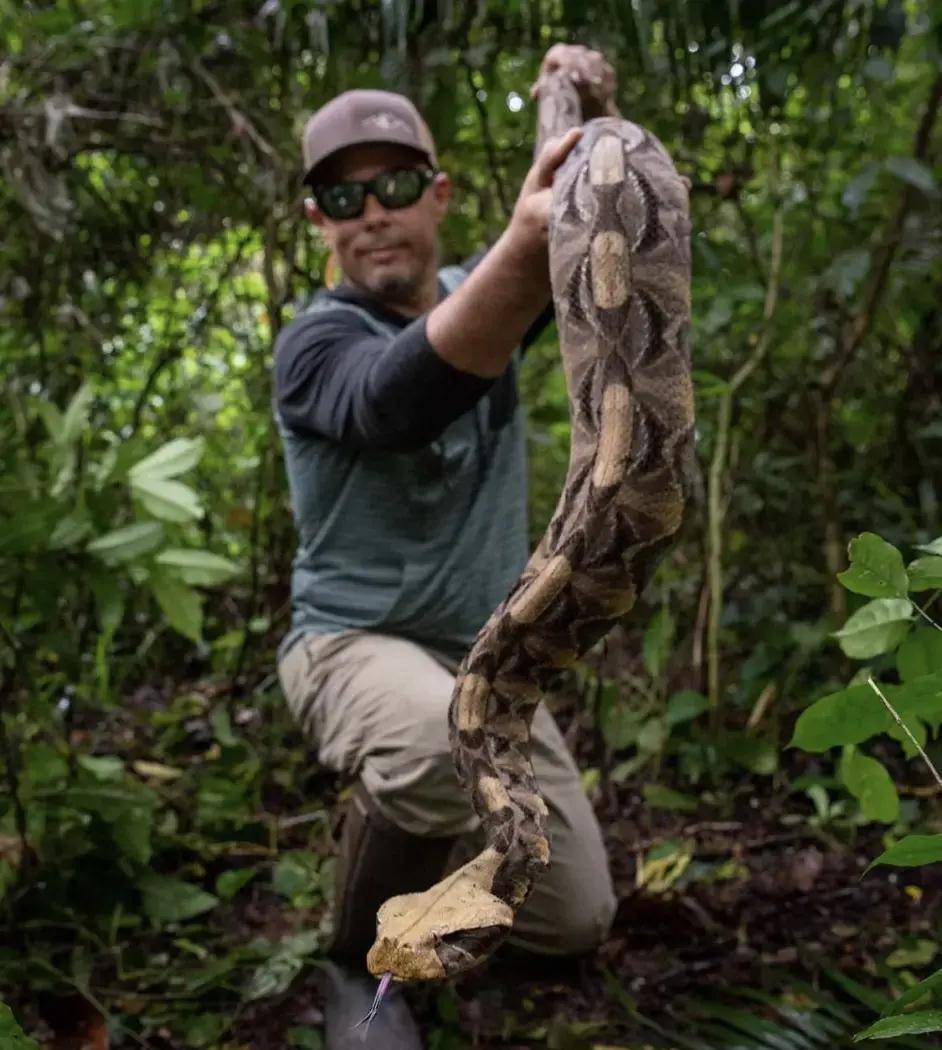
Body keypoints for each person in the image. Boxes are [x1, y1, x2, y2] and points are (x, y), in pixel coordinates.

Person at [275, 45, 619, 1050]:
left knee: (573, 920)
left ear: (437, 194)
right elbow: (394, 401)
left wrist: (594, 109)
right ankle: (355, 956)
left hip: (487, 661)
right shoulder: (315, 343)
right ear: (320, 224)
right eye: (343, 197)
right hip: (350, 642)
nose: (370, 212)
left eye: (391, 185)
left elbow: (585, 223)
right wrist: (521, 255)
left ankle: (429, 872)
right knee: (437, 743)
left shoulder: (495, 287)